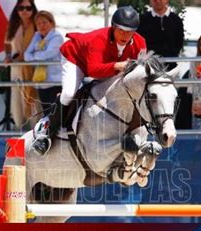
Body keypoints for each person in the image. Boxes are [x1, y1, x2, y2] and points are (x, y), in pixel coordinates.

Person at [32, 6, 147, 156]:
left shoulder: (140, 43)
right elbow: (93, 70)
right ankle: (47, 132)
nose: (125, 36)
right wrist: (118, 65)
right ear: (113, 27)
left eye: (129, 32)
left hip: (107, 64)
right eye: (121, 31)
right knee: (68, 93)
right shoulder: (99, 39)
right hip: (76, 59)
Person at [137, 0, 190, 129]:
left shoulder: (176, 20)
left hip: (169, 69)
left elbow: (178, 44)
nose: (157, 1)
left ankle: (169, 126)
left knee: (169, 99)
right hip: (150, 70)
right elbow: (141, 44)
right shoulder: (143, 19)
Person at [4, 0, 42, 130]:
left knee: (33, 99)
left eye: (28, 8)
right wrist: (8, 56)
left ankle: (35, 131)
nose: (25, 11)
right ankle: (19, 128)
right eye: (21, 8)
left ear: (33, 9)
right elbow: (7, 43)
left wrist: (26, 56)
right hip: (16, 68)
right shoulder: (13, 25)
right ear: (17, 10)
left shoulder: (38, 25)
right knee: (16, 98)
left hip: (33, 68)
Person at [24, 11, 63, 115]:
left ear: (52, 23)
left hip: (55, 82)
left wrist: (36, 52)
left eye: (44, 22)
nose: (42, 26)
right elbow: (26, 55)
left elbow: (48, 54)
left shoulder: (57, 37)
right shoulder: (37, 36)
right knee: (46, 112)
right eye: (39, 24)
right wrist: (38, 54)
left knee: (54, 112)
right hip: (42, 82)